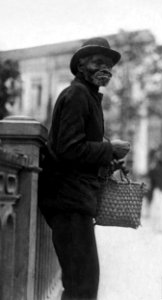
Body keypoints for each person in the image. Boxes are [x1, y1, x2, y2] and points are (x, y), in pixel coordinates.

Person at [38, 37, 130, 300]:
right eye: (98, 62)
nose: (106, 68)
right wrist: (110, 148)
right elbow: (68, 149)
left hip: (73, 199)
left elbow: (78, 147)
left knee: (82, 284)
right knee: (82, 286)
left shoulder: (87, 96)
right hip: (68, 200)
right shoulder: (78, 95)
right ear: (81, 65)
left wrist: (107, 158)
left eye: (109, 64)